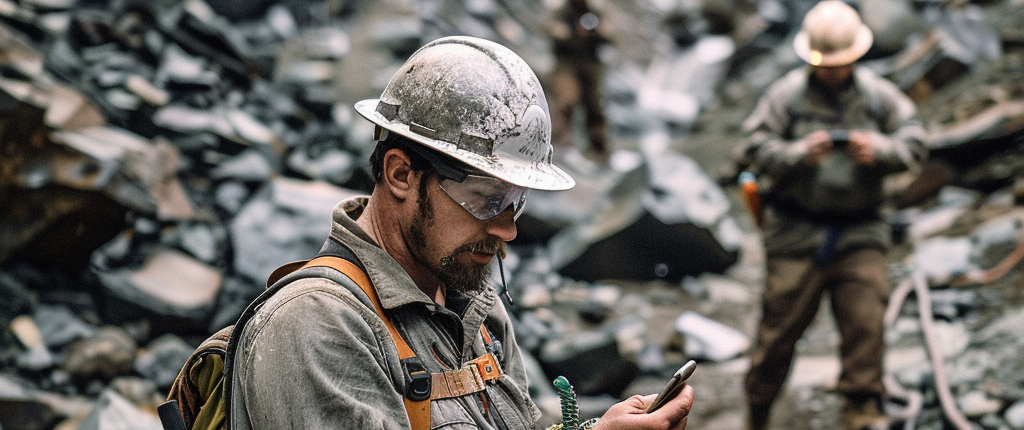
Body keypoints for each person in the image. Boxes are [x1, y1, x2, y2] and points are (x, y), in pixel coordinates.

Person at [228, 36, 693, 430]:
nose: (508, 228)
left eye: (517, 200)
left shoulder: (475, 309)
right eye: (487, 198)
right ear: (401, 175)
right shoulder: (316, 328)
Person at [736, 2, 927, 430]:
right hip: (795, 229)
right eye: (827, 64)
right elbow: (750, 149)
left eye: (843, 63)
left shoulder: (878, 96)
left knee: (866, 321)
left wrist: (879, 150)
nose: (835, 72)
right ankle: (758, 409)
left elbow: (914, 142)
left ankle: (862, 408)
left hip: (861, 227)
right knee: (779, 330)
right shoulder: (786, 96)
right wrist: (797, 154)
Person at [547, 0, 612, 160]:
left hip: (590, 65)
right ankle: (556, 146)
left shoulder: (595, 12)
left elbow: (610, 35)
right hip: (567, 64)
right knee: (566, 102)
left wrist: (598, 31)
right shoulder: (562, 11)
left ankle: (598, 150)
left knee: (594, 106)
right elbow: (553, 31)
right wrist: (566, 32)